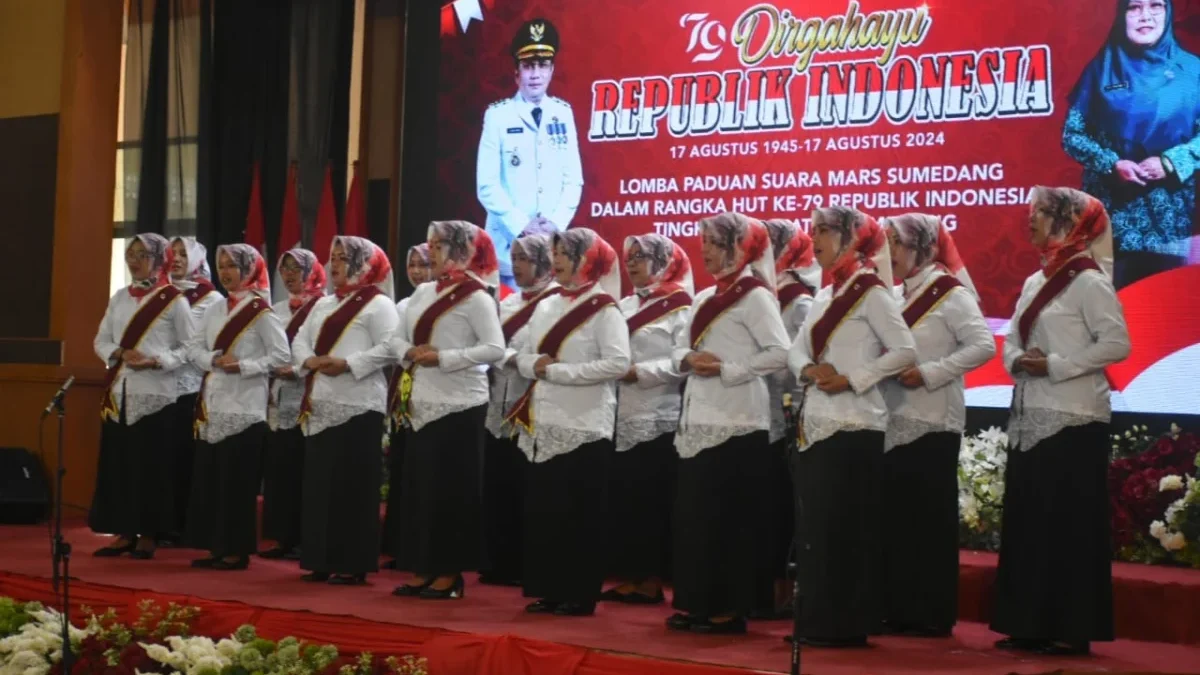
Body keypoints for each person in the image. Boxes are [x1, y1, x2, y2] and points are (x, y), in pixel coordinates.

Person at [991, 187, 1131, 656]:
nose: (1029, 220)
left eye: (1040, 214)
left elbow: (1116, 345)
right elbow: (1010, 338)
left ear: (1069, 222)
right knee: (1031, 524)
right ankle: (1028, 623)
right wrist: (1019, 359)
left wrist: (1054, 364)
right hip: (1032, 415)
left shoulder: (1089, 281)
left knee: (1066, 525)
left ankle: (1070, 628)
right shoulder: (1035, 281)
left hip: (1074, 418)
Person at [785, 207, 917, 648]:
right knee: (817, 530)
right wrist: (808, 370)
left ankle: (846, 624)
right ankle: (816, 621)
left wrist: (854, 379)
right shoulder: (824, 295)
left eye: (825, 231)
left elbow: (903, 350)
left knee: (846, 529)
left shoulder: (871, 292)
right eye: (814, 230)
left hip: (856, 424)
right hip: (817, 422)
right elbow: (794, 352)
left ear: (850, 238)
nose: (815, 238)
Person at [669, 213, 791, 635]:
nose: (705, 250)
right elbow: (676, 351)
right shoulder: (703, 297)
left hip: (738, 421)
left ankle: (727, 610)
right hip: (697, 420)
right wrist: (687, 360)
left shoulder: (755, 297)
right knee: (697, 520)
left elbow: (781, 352)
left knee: (730, 522)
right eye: (704, 242)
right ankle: (696, 604)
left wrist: (727, 368)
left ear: (741, 248)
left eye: (716, 243)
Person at [879, 214, 996, 637]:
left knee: (926, 520)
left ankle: (929, 612)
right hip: (892, 418)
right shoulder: (891, 295)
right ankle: (895, 606)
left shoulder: (949, 293)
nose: (886, 250)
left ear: (922, 248)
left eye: (895, 242)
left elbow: (982, 345)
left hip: (932, 419)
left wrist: (931, 372)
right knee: (895, 520)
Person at [509, 228, 630, 617]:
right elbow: (520, 354)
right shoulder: (545, 305)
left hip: (585, 422)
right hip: (545, 420)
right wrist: (534, 365)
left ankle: (578, 593)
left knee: (579, 512)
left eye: (565, 253)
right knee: (547, 510)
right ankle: (548, 588)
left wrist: (561, 373)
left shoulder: (605, 308)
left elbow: (617, 363)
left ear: (587, 259)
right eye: (555, 252)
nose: (556, 259)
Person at [390, 222, 505, 600]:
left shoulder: (477, 298)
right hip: (422, 403)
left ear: (462, 251)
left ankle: (450, 574)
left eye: (441, 246)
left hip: (460, 406)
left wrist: (445, 357)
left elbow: (494, 349)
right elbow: (394, 338)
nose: (432, 252)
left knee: (451, 492)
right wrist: (408, 353)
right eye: (431, 244)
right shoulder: (422, 293)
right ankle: (423, 567)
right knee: (421, 491)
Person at [1064, 0, 1200, 288]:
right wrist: (1112, 164)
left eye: (1155, 6)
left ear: (1168, 13)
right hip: (1108, 222)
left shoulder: (1193, 71)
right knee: (1106, 315)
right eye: (1134, 8)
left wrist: (1170, 162)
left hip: (1170, 225)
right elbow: (1072, 136)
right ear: (1121, 15)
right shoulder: (1101, 70)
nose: (1145, 17)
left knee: (1161, 312)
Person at [293, 236, 398, 586]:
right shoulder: (322, 305)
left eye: (343, 258)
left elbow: (390, 348)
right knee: (320, 486)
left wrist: (349, 363)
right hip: (321, 402)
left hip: (358, 404)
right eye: (332, 256)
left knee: (353, 487)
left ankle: (352, 563)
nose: (333, 264)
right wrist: (310, 360)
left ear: (364, 264)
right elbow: (299, 340)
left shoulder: (378, 305)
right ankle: (320, 559)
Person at [90, 234, 194, 560]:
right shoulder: (120, 297)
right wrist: (120, 351)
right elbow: (100, 340)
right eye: (130, 254)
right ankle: (123, 531)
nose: (134, 260)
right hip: (120, 392)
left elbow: (190, 348)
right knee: (121, 464)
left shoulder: (175, 300)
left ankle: (149, 532)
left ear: (158, 258)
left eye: (142, 254)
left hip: (157, 394)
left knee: (151, 467)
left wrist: (157, 360)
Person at [600, 234, 692, 606]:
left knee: (651, 497)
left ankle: (651, 579)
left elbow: (683, 360)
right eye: (629, 257)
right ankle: (631, 575)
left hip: (659, 413)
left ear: (664, 261)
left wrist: (642, 372)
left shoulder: (682, 307)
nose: (632, 264)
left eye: (642, 257)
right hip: (618, 411)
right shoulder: (621, 306)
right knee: (626, 497)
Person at [186, 244, 289, 570]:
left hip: (245, 407)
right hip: (214, 402)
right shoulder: (216, 308)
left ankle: (236, 550)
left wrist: (243, 364)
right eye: (222, 265)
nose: (226, 271)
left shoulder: (261, 312)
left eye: (233, 265)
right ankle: (216, 545)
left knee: (237, 482)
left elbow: (281, 357)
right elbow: (193, 347)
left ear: (249, 269)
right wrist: (214, 359)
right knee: (214, 479)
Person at [477, 17, 584, 290]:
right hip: (507, 250)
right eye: (528, 66)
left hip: (550, 248)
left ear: (551, 70)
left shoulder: (563, 112)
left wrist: (554, 225)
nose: (535, 74)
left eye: (542, 65)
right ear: (517, 73)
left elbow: (574, 180)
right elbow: (487, 185)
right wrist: (523, 225)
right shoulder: (498, 115)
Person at [480, 234, 560, 587]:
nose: (516, 265)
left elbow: (542, 353)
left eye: (524, 258)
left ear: (545, 260)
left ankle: (524, 563)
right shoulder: (507, 305)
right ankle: (498, 559)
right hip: (499, 402)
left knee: (525, 486)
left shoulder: (557, 304)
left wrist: (509, 357)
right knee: (499, 484)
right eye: (513, 257)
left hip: (533, 406)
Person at [759, 218, 821, 620]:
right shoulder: (763, 293)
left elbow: (798, 361)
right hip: (757, 412)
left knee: (784, 509)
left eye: (770, 246)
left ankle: (785, 593)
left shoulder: (799, 300)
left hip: (788, 415)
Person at [260, 248, 326, 560]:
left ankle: (303, 537)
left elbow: (322, 347)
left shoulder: (323, 307)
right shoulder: (275, 309)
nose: (289, 275)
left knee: (303, 468)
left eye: (295, 269)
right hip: (277, 396)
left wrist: (298, 369)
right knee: (280, 468)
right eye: (284, 268)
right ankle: (282, 536)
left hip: (308, 395)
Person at [165, 236, 220, 542]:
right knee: (164, 457)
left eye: (182, 254)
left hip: (191, 386)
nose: (175, 259)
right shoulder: (159, 292)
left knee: (186, 456)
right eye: (171, 254)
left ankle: (183, 524)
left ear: (197, 259)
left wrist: (163, 356)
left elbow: (200, 343)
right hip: (159, 387)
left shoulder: (211, 300)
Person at [381, 243, 432, 569]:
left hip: (430, 391)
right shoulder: (402, 304)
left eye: (422, 264)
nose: (415, 270)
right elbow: (392, 344)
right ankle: (398, 544)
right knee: (400, 464)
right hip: (403, 389)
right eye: (411, 263)